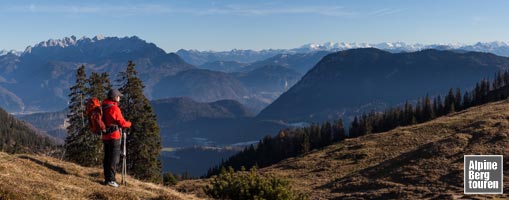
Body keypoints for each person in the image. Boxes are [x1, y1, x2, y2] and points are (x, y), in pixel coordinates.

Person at [102, 89, 131, 187]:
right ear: (114, 97)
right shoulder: (114, 108)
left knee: (107, 158)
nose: (119, 98)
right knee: (114, 159)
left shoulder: (104, 106)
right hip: (114, 136)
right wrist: (129, 124)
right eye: (118, 96)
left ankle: (107, 179)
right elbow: (122, 123)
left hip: (105, 136)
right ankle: (111, 180)